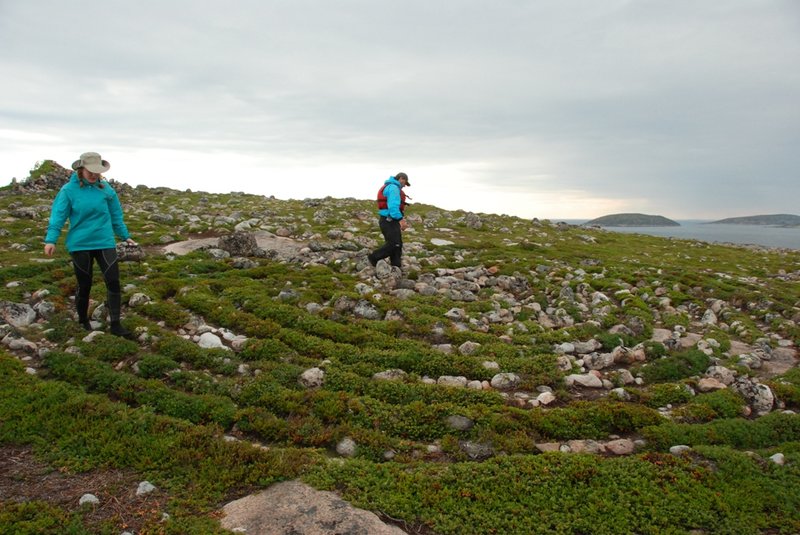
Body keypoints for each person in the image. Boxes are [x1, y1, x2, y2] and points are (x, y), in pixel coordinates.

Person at [44, 152, 136, 337]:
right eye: (90, 171)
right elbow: (58, 216)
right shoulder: (68, 191)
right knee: (84, 284)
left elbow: (116, 216)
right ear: (81, 169)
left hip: (104, 241)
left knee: (113, 281)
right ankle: (83, 320)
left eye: (97, 172)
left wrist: (125, 236)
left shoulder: (106, 189)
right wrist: (51, 240)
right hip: (80, 244)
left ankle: (116, 324)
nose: (94, 175)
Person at [367, 172, 410, 269]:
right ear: (401, 179)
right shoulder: (394, 188)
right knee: (394, 244)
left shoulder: (390, 186)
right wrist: (401, 220)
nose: (404, 186)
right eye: (405, 183)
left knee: (397, 244)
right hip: (389, 220)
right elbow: (393, 207)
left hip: (389, 220)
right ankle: (373, 257)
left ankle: (396, 267)